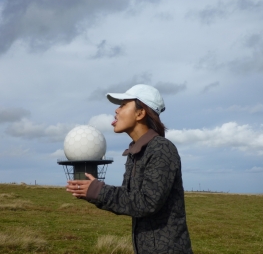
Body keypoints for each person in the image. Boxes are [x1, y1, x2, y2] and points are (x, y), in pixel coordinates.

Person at [66, 84, 193, 254]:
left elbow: (147, 202)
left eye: (123, 105)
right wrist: (92, 191)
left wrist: (99, 191)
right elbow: (131, 201)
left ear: (141, 113)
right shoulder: (136, 151)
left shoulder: (162, 149)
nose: (116, 111)